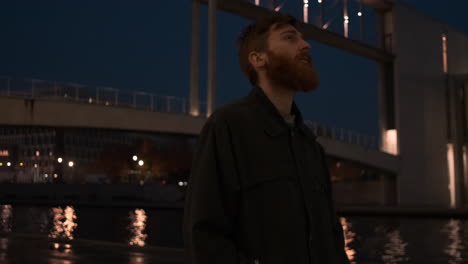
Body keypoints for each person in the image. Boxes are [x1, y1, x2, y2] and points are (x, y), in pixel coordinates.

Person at [183, 14, 349, 264]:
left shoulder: (310, 145)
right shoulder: (228, 126)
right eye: (289, 37)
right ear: (258, 59)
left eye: (302, 39)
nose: (306, 45)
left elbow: (333, 237)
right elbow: (204, 235)